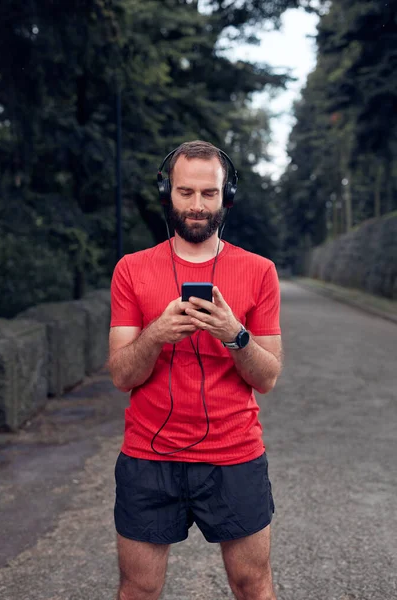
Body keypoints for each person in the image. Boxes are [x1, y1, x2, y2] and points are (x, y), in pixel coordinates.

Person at [109, 140, 282, 600]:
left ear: (228, 196)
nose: (197, 205)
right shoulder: (131, 269)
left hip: (234, 455)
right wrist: (157, 333)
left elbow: (267, 377)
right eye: (186, 192)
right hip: (149, 457)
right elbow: (121, 375)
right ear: (168, 192)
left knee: (253, 585)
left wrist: (233, 333)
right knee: (138, 587)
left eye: (209, 193)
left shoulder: (259, 271)